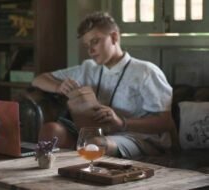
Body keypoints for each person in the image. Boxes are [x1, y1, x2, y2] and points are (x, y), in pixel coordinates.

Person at [31, 11, 176, 158]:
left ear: (114, 37)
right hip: (96, 132)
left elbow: (166, 122)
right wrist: (58, 87)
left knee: (94, 144)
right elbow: (39, 79)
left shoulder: (146, 71)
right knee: (51, 130)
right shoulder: (88, 68)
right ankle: (51, 177)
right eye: (87, 45)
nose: (90, 51)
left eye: (95, 42)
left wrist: (121, 122)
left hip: (137, 137)